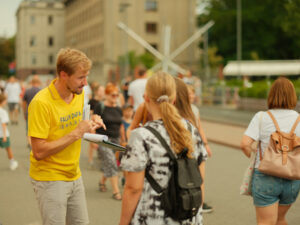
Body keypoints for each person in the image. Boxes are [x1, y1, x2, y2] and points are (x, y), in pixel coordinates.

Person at [28, 48, 105, 225]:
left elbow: (76, 124)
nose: (85, 83)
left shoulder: (79, 93)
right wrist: (76, 133)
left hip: (74, 174)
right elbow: (39, 151)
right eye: (80, 77)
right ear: (63, 75)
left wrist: (91, 120)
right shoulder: (41, 103)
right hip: (49, 178)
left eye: (86, 77)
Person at [119, 71, 207, 225]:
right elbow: (199, 179)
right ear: (174, 100)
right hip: (187, 215)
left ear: (146, 98)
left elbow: (133, 188)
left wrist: (123, 222)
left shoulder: (141, 135)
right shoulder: (191, 129)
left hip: (153, 216)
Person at [240, 77, 300, 225]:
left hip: (266, 175)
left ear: (271, 95)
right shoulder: (299, 119)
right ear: (293, 96)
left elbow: (244, 144)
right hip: (292, 177)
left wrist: (253, 153)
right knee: (280, 219)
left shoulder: (261, 117)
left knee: (266, 222)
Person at [175, 78, 213, 213]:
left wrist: (205, 144)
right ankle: (190, 201)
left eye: (192, 93)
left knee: (197, 176)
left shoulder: (195, 110)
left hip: (195, 142)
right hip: (185, 144)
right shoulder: (178, 111)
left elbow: (199, 127)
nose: (191, 96)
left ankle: (199, 203)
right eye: (189, 93)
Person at [94, 83, 124, 200]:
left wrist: (123, 139)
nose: (115, 97)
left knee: (109, 162)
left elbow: (120, 125)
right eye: (112, 95)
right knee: (111, 162)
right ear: (106, 95)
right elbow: (94, 123)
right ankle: (116, 191)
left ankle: (102, 182)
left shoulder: (118, 108)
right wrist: (93, 139)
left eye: (117, 95)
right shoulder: (100, 107)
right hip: (103, 139)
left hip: (116, 139)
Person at [87, 83, 105, 168]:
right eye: (100, 90)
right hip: (93, 122)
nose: (102, 92)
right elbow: (89, 111)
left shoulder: (104, 101)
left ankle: (100, 157)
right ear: (97, 91)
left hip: (101, 122)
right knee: (92, 142)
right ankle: (90, 159)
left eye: (103, 90)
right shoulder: (92, 101)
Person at [0, 94, 18, 170]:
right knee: (8, 149)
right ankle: (12, 162)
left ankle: (12, 162)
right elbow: (4, 124)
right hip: (3, 134)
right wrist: (4, 136)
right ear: (3, 101)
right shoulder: (3, 112)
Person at [22, 75, 41, 148]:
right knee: (38, 128)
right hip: (39, 113)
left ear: (31, 82)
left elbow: (23, 103)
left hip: (29, 113)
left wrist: (24, 112)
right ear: (39, 82)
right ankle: (36, 143)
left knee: (29, 129)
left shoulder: (27, 91)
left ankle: (30, 143)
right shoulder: (41, 91)